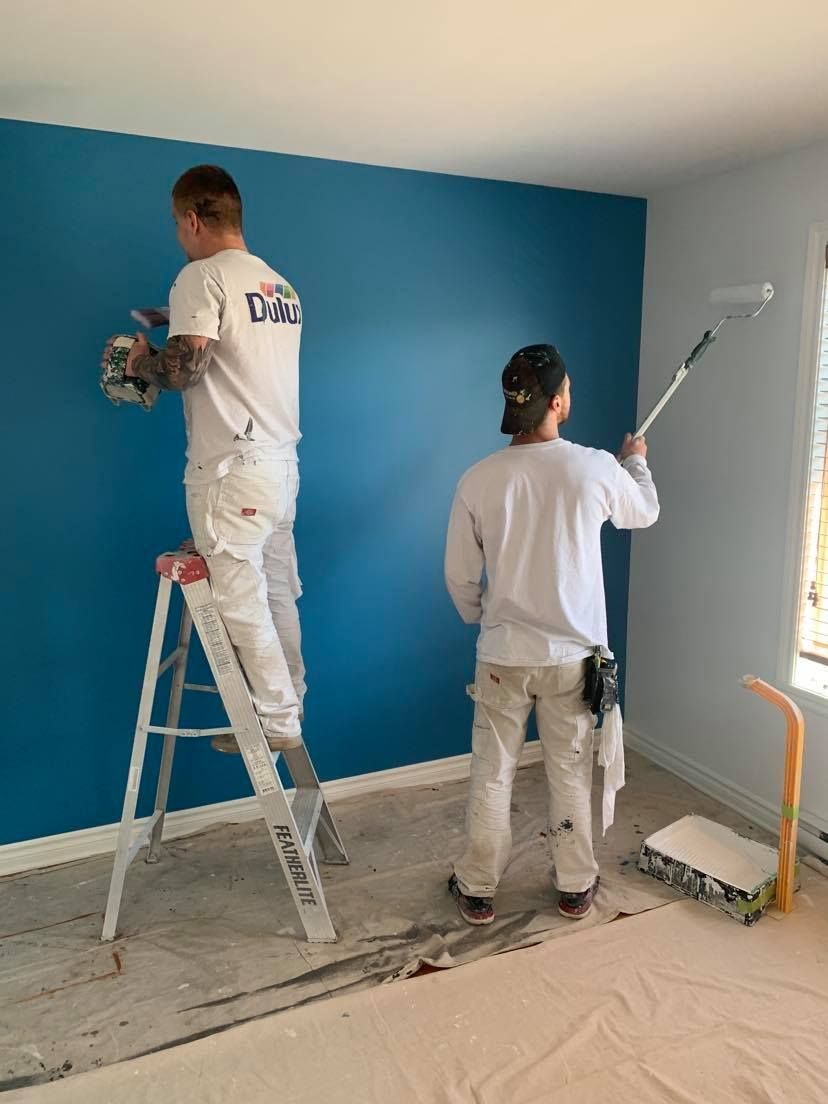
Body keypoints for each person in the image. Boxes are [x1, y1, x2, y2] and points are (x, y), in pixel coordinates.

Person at [444, 344, 659, 925]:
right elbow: (643, 511)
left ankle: (478, 888)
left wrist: (480, 618)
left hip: (502, 658)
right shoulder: (594, 467)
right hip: (572, 662)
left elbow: (459, 576)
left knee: (492, 774)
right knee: (568, 772)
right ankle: (574, 885)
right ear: (558, 402)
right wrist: (634, 460)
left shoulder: (479, 479)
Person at [102, 165, 305, 753]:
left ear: (192, 219)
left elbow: (185, 370)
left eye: (176, 223)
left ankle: (276, 722)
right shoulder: (278, 286)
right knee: (277, 595)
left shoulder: (200, 276)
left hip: (229, 471)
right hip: (280, 466)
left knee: (242, 603)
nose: (177, 235)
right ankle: (292, 703)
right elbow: (242, 350)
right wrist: (176, 322)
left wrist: (140, 361)